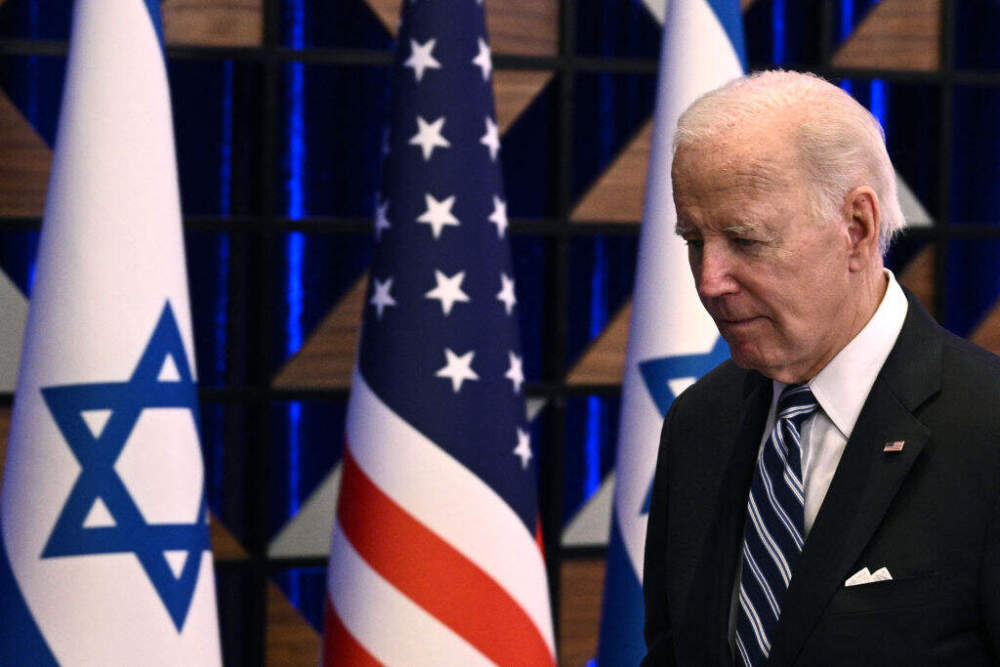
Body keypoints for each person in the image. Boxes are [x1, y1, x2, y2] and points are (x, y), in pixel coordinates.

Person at [641, 70, 1000, 666]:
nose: (709, 281)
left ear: (856, 228)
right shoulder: (699, 420)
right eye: (694, 241)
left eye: (746, 240)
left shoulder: (987, 429)